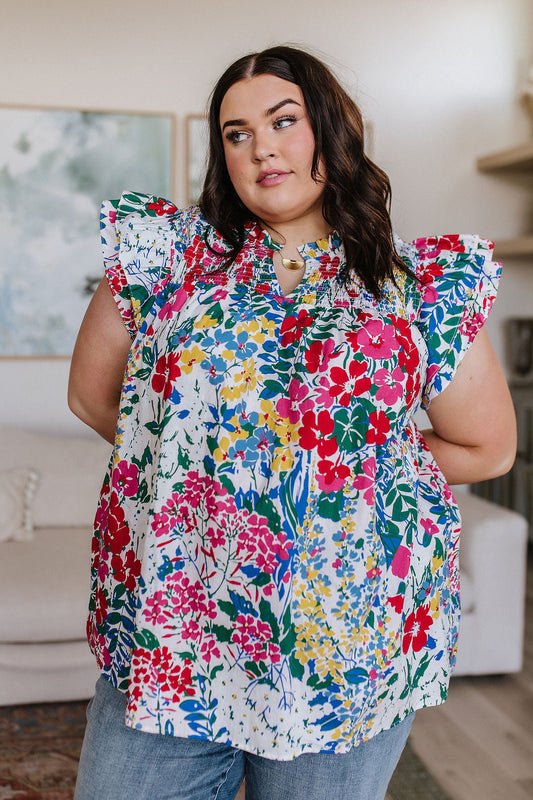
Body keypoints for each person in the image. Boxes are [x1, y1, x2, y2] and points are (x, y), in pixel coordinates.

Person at [68, 45, 516, 800]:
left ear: (332, 132)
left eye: (283, 121)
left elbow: (487, 447)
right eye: (236, 133)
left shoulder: (417, 287)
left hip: (343, 646)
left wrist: (336, 469)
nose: (260, 148)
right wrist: (207, 461)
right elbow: (92, 397)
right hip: (175, 632)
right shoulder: (164, 258)